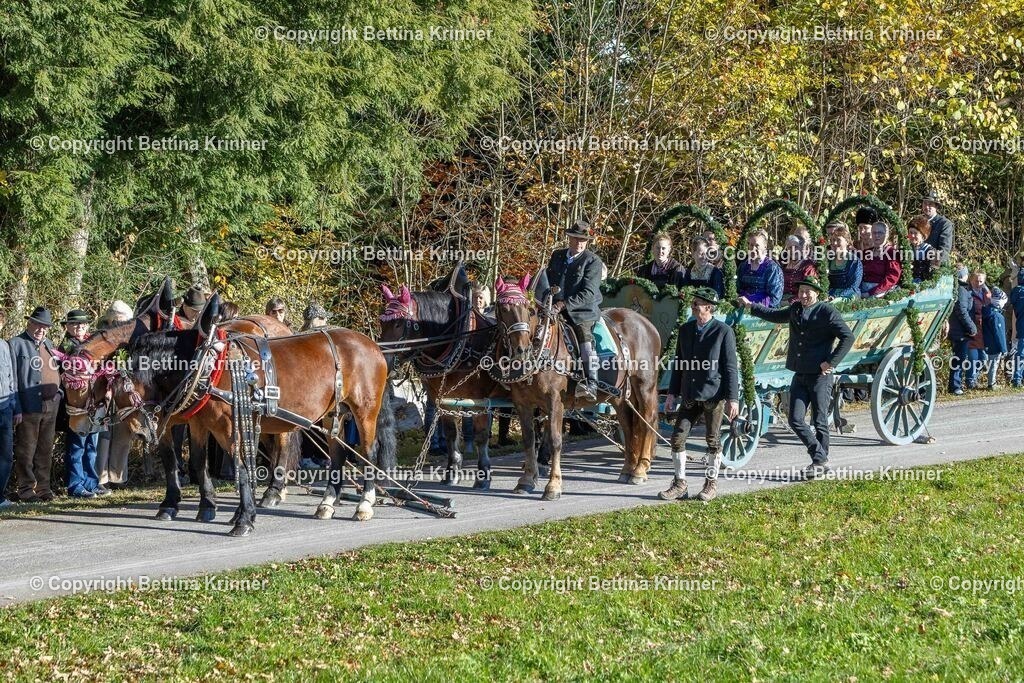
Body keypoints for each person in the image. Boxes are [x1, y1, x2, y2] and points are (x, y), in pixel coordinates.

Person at [739, 276, 854, 477]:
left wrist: (831, 362)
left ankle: (819, 462)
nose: (803, 295)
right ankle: (820, 457)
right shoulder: (795, 310)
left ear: (816, 293)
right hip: (800, 373)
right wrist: (751, 306)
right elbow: (775, 315)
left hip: (820, 376)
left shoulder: (827, 311)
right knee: (795, 419)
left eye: (807, 291)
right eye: (800, 291)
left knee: (819, 421)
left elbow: (848, 337)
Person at [659, 288, 738, 503]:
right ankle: (680, 484)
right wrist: (671, 394)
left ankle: (711, 484)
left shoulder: (723, 332)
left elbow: (731, 368)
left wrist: (733, 399)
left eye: (697, 303)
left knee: (712, 440)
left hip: (713, 394)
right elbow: (679, 365)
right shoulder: (685, 330)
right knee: (677, 438)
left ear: (709, 307)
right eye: (693, 303)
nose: (693, 306)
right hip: (689, 394)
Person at [546, 218, 604, 400]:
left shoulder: (592, 261)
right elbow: (547, 281)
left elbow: (588, 293)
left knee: (584, 338)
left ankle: (591, 383)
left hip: (582, 311)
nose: (580, 243)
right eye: (576, 239)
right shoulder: (557, 255)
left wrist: (563, 304)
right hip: (553, 307)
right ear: (569, 238)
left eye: (583, 240)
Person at [10, 307, 61, 502]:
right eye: (38, 324)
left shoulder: (49, 344)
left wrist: (59, 392)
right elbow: (11, 379)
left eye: (45, 326)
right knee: (26, 450)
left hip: (51, 406)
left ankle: (44, 489)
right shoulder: (16, 344)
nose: (41, 329)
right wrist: (17, 408)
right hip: (28, 406)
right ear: (29, 323)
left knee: (45, 450)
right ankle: (25, 490)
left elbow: (58, 371)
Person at [59, 309, 108, 498]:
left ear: (87, 326)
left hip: (95, 403)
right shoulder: (66, 348)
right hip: (77, 405)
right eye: (74, 324)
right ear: (67, 327)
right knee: (77, 446)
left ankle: (91, 481)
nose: (79, 327)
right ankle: (75, 485)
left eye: (82, 324)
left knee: (91, 445)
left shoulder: (92, 344)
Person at [94, 301, 134, 488]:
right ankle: (100, 477)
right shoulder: (100, 337)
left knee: (123, 433)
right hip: (104, 390)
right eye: (117, 320)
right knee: (103, 434)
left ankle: (118, 476)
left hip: (125, 390)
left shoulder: (132, 339)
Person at [0, 309, 20, 508]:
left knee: (6, 455)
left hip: (5, 408)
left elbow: (11, 378)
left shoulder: (4, 346)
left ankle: (0, 496)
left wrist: (15, 407)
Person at [947, 265, 979, 395]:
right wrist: (972, 327)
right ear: (963, 275)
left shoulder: (958, 288)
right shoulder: (961, 290)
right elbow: (962, 311)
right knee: (959, 359)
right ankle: (955, 386)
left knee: (958, 358)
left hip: (957, 329)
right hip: (960, 330)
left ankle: (955, 385)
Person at [736, 230, 783, 307]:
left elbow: (775, 298)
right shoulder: (743, 266)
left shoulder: (772, 268)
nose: (753, 248)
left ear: (765, 246)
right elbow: (738, 289)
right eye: (751, 245)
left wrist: (753, 306)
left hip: (763, 311)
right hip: (742, 307)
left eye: (757, 245)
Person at [859, 221, 903, 298]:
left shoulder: (891, 253)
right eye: (874, 233)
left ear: (887, 235)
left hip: (881, 291)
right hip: (862, 289)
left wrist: (871, 292)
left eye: (880, 233)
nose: (877, 235)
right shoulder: (866, 253)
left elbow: (892, 278)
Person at [966, 268, 992, 390]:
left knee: (983, 358)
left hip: (983, 330)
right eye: (976, 281)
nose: (978, 283)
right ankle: (970, 381)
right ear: (971, 280)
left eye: (981, 281)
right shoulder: (967, 293)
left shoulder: (986, 293)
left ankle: (973, 378)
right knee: (973, 358)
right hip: (971, 329)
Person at [780, 232, 818, 302]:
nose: (793, 250)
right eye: (790, 247)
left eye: (796, 247)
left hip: (799, 301)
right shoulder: (783, 264)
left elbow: (808, 289)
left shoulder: (807, 265)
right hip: (780, 299)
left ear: (801, 248)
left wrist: (791, 301)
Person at [983, 288, 1008, 390]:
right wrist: (1004, 349)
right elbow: (1000, 334)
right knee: (994, 363)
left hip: (988, 343)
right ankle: (991, 384)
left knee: (990, 363)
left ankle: (990, 382)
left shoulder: (987, 311)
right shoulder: (997, 316)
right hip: (995, 345)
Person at [827, 226, 862, 300]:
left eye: (838, 240)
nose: (834, 243)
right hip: (831, 293)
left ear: (847, 241)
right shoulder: (829, 260)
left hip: (849, 295)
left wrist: (836, 296)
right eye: (833, 240)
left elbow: (854, 286)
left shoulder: (854, 261)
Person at [922, 190, 953, 264]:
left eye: (930, 204)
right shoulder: (918, 221)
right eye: (925, 203)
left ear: (936, 206)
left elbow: (944, 250)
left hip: (935, 265)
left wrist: (934, 266)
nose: (927, 206)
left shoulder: (945, 224)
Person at [907, 215, 938, 283]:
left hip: (923, 287)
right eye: (911, 232)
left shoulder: (931, 251)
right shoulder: (905, 248)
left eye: (915, 233)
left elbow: (934, 274)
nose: (912, 236)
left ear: (923, 235)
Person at [1009, 270, 1024, 388]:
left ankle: (1018, 378)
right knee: (1021, 353)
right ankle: (1017, 378)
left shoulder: (1015, 292)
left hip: (1020, 326)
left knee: (1021, 353)